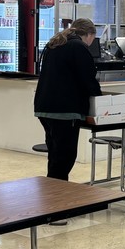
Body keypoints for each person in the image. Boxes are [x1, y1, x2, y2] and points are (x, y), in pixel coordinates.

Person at [33, 18, 102, 182]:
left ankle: (52, 192)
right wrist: (100, 99)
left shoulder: (55, 43)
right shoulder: (78, 46)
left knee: (55, 154)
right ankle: (57, 195)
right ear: (89, 34)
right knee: (65, 156)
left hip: (44, 107)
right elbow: (88, 78)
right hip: (65, 110)